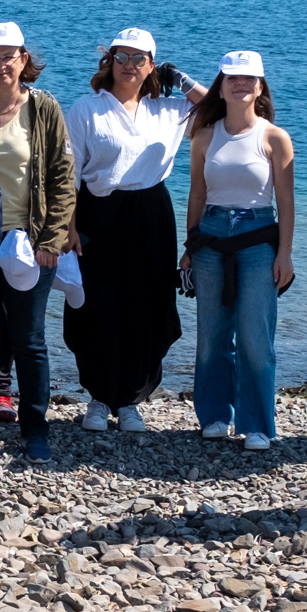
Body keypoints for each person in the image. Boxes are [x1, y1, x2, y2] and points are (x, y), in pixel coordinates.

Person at [63, 28, 207, 431]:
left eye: (138, 59)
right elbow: (70, 174)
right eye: (121, 57)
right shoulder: (86, 109)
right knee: (96, 303)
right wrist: (70, 227)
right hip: (98, 212)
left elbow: (220, 109)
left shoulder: (170, 109)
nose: (129, 65)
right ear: (109, 60)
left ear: (151, 65)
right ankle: (98, 396)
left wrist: (179, 77)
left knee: (147, 302)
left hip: (151, 212)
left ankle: (131, 399)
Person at [0, 22, 76, 462]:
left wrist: (52, 239)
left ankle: (35, 428)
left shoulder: (43, 109)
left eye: (9, 56)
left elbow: (63, 179)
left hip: (30, 241)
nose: (1, 64)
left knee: (29, 338)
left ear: (24, 60)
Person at [181, 52, 297, 452]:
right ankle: (214, 415)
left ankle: (258, 423)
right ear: (222, 86)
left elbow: (286, 201)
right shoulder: (204, 135)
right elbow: (197, 192)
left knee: (255, 336)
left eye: (249, 79)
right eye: (232, 78)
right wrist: (189, 246)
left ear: (260, 87)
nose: (240, 84)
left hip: (258, 239)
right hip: (211, 238)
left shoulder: (274, 137)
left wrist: (285, 254)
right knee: (212, 335)